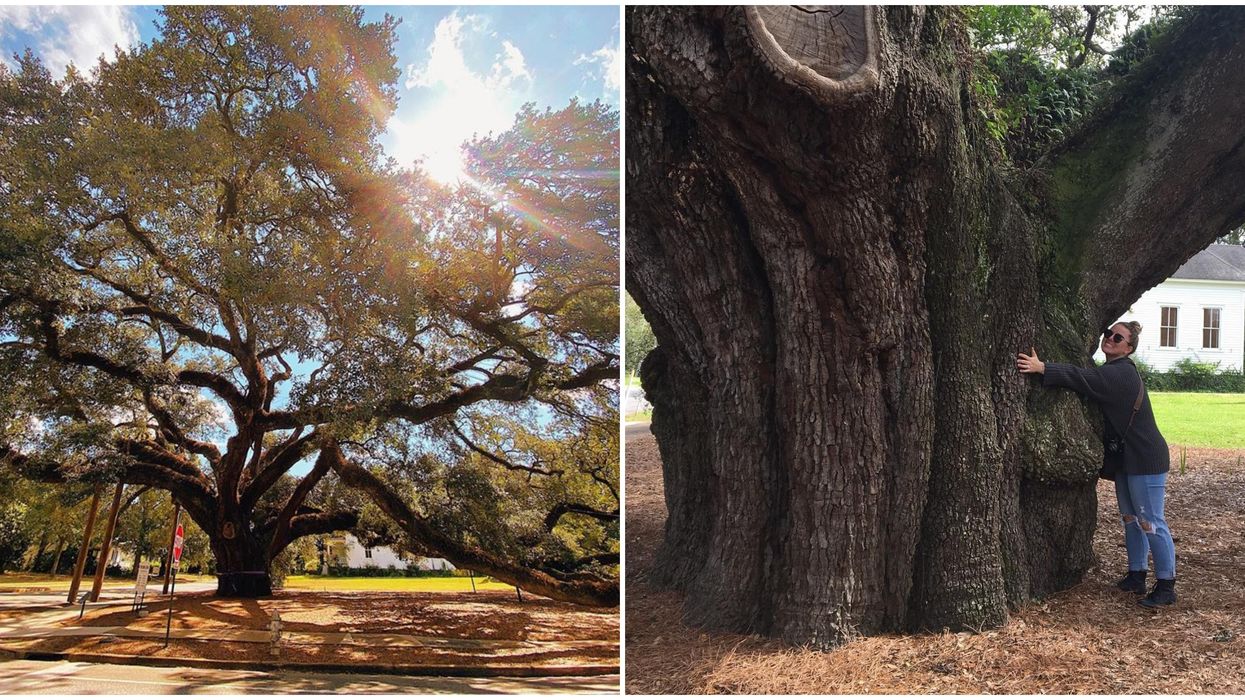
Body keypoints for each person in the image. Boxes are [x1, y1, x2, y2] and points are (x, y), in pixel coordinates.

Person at [1016, 321, 1176, 607]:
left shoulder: (1121, 373)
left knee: (1150, 522)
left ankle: (1166, 585)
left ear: (1128, 348)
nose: (1110, 338)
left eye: (1118, 337)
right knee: (1131, 520)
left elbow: (1082, 378)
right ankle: (1137, 575)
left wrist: (1043, 368)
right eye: (1108, 333)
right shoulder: (1113, 370)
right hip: (1128, 459)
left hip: (1146, 458)